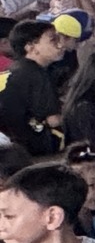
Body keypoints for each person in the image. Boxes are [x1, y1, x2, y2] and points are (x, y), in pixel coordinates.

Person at [0, 19, 65, 156]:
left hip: (9, 141)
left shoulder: (14, 68)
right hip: (29, 145)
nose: (60, 44)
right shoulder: (36, 75)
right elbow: (53, 120)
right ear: (30, 47)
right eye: (53, 40)